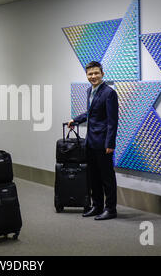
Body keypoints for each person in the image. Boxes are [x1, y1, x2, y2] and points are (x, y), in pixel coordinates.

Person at [68, 61, 119, 220]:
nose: (93, 76)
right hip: (90, 142)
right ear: (87, 75)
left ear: (102, 74)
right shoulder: (90, 90)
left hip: (103, 143)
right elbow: (91, 114)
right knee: (94, 177)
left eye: (96, 73)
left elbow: (112, 121)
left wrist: (110, 144)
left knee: (107, 178)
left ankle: (110, 209)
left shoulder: (109, 93)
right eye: (90, 74)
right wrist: (75, 120)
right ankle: (97, 206)